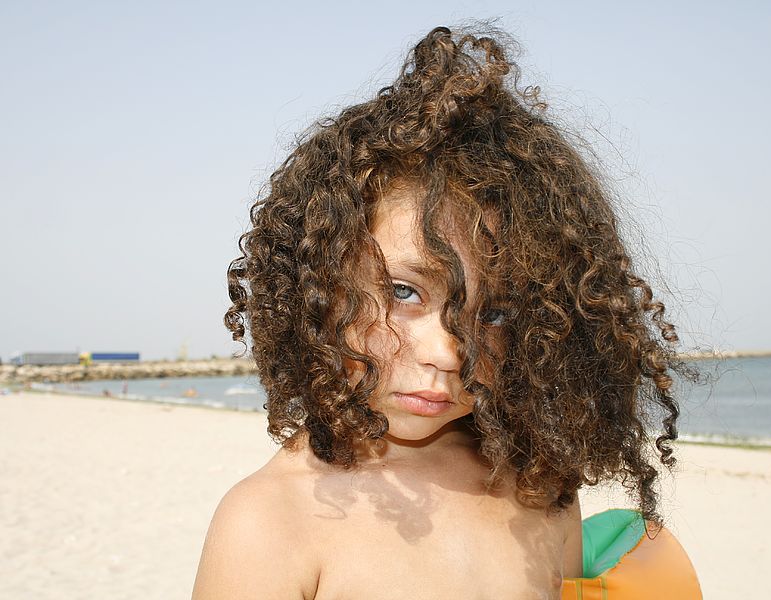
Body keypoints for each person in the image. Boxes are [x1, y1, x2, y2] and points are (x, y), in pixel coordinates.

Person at [193, 23, 697, 599]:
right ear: (318, 286)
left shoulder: (537, 487)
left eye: (497, 313)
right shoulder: (267, 523)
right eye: (404, 292)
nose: (448, 352)